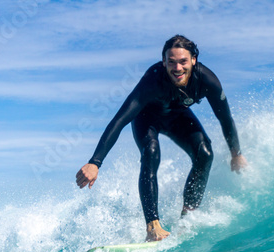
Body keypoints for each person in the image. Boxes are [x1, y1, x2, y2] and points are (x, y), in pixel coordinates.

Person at [76, 35, 248, 241]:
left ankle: (187, 218)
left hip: (177, 117)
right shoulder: (152, 80)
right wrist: (95, 162)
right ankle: (152, 226)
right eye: (172, 62)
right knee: (151, 152)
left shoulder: (207, 80)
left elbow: (224, 117)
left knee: (205, 153)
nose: (177, 68)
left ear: (193, 60)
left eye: (183, 61)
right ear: (164, 62)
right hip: (146, 119)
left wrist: (236, 153)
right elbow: (119, 120)